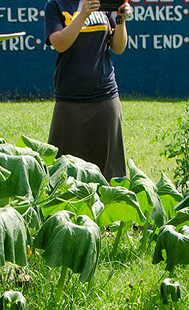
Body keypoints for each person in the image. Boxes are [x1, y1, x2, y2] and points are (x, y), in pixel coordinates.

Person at [44, 0, 131, 179]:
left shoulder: (103, 4)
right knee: (63, 172)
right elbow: (60, 44)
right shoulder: (55, 5)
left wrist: (120, 19)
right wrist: (83, 14)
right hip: (69, 99)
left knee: (110, 172)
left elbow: (118, 47)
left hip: (105, 97)